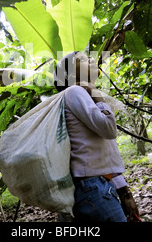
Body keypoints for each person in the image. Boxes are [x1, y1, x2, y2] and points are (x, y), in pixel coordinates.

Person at [53, 51, 140, 222]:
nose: (91, 58)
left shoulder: (81, 95)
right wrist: (96, 93)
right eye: (82, 59)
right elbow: (109, 129)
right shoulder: (75, 92)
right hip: (92, 188)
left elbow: (106, 149)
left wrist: (124, 190)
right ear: (71, 74)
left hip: (98, 186)